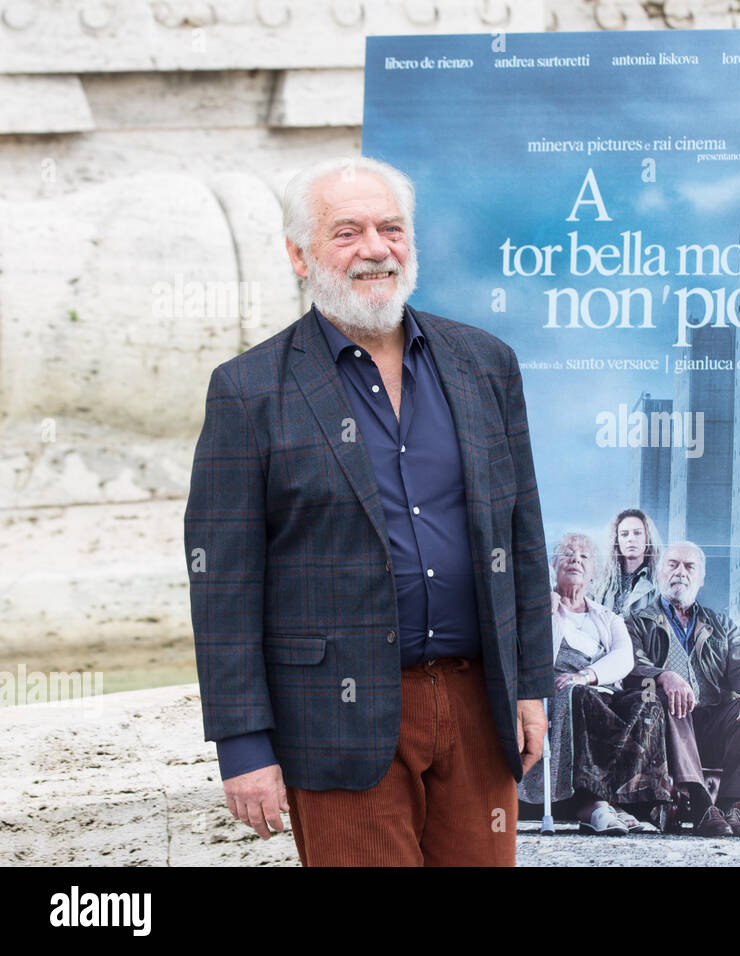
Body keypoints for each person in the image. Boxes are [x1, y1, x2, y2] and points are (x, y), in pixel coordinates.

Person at [184, 156, 552, 866]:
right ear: (299, 254)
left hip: (480, 708)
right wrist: (244, 746)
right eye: (346, 232)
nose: (375, 249)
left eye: (391, 228)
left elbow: (522, 540)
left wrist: (530, 687)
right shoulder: (247, 391)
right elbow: (223, 583)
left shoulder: (486, 365)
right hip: (333, 721)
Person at [518, 533, 672, 834]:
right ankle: (591, 803)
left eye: (584, 557)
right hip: (561, 690)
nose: (576, 559)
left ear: (594, 572)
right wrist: (540, 610)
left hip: (599, 686)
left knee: (647, 704)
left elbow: (624, 657)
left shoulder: (606, 616)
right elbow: (527, 653)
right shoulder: (539, 607)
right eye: (568, 554)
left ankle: (630, 803)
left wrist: (588, 674)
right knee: (578, 695)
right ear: (553, 564)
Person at [623, 541, 740, 837]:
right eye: (673, 564)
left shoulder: (720, 624)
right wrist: (663, 676)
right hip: (665, 732)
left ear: (701, 578)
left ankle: (731, 806)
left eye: (689, 566)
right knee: (668, 697)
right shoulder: (638, 622)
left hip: (711, 725)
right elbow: (630, 667)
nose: (680, 572)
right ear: (659, 571)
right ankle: (701, 802)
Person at [593, 508, 661, 617]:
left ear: (647, 538)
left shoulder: (659, 583)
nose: (631, 539)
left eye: (637, 533)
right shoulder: (602, 582)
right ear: (617, 540)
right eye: (624, 534)